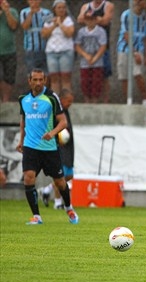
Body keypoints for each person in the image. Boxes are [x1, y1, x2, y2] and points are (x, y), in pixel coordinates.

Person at [16, 68, 79, 225]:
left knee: (60, 182)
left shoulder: (51, 97)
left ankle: (69, 208)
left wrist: (52, 133)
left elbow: (63, 121)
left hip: (49, 148)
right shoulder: (23, 99)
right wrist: (20, 140)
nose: (38, 83)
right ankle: (36, 216)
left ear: (45, 81)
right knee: (29, 178)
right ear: (29, 81)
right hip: (30, 146)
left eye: (40, 80)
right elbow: (23, 121)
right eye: (35, 80)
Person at [41, 89, 75, 210]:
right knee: (60, 176)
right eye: (68, 101)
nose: (70, 103)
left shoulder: (65, 111)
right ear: (61, 100)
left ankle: (47, 190)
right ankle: (57, 202)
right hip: (60, 148)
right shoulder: (55, 112)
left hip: (68, 147)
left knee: (69, 175)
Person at [77, 0, 114, 103]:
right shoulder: (86, 6)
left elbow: (106, 20)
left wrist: (91, 19)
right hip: (86, 53)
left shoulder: (108, 5)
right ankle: (88, 101)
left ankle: (105, 101)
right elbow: (79, 19)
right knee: (87, 79)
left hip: (103, 48)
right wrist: (97, 19)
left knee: (104, 75)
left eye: (92, 18)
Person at [116, 0, 146, 106]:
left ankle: (145, 100)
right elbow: (126, 35)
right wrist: (134, 53)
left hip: (139, 49)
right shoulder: (126, 14)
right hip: (124, 49)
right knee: (124, 76)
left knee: (138, 74)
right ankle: (128, 101)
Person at [41, 0, 75, 94]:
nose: (61, 10)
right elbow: (44, 34)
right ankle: (55, 101)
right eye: (59, 8)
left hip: (66, 51)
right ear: (54, 9)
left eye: (63, 7)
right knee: (54, 78)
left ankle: (66, 101)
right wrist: (54, 25)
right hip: (51, 51)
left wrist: (60, 24)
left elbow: (69, 33)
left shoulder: (69, 20)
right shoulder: (49, 19)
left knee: (66, 77)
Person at [74, 10, 107, 103]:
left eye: (92, 19)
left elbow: (103, 46)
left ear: (96, 20)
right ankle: (87, 101)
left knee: (96, 83)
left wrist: (95, 58)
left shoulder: (101, 31)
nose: (90, 21)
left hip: (97, 61)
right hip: (85, 61)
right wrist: (86, 56)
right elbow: (77, 45)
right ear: (84, 20)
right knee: (85, 82)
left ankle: (95, 102)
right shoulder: (81, 32)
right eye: (88, 19)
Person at [20, 0, 52, 74]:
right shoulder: (24, 12)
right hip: (30, 48)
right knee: (32, 73)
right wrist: (31, 13)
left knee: (46, 73)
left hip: (45, 47)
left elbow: (50, 28)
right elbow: (25, 26)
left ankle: (45, 86)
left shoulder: (47, 12)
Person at [0, 0, 18, 103]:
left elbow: (13, 26)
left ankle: (6, 101)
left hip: (9, 51)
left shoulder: (12, 11)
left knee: (9, 77)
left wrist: (7, 12)